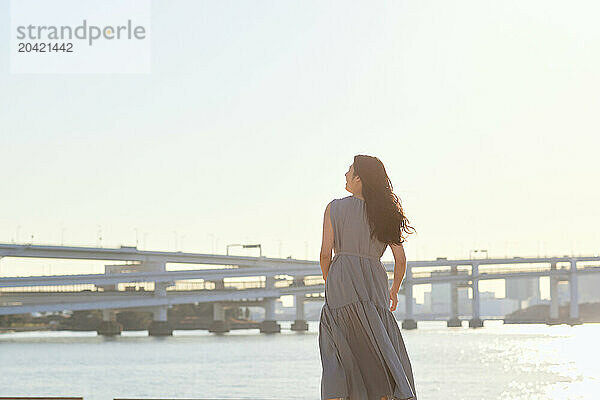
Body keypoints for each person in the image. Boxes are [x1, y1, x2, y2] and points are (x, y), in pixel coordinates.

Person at [319, 154, 417, 400]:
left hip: (341, 278)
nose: (345, 174)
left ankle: (336, 394)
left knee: (338, 344)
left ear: (360, 179)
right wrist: (394, 289)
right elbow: (400, 260)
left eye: (349, 170)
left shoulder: (334, 207)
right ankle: (385, 393)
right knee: (377, 341)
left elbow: (324, 254)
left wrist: (330, 281)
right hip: (374, 280)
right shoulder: (385, 213)